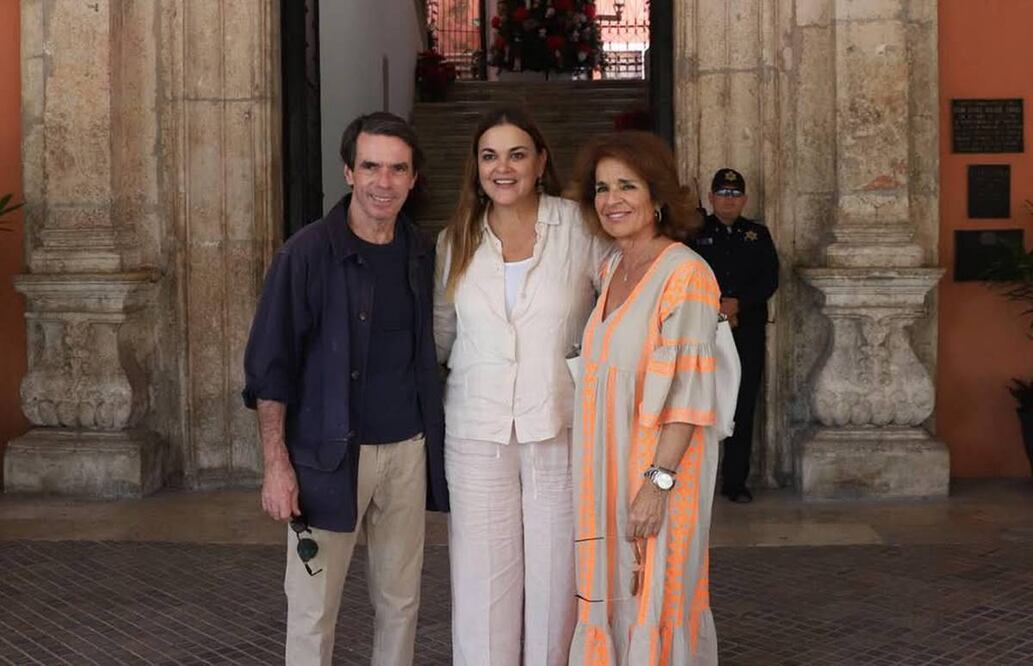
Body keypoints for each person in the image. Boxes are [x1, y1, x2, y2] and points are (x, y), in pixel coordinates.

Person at [242, 112, 448, 666]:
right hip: (327, 459)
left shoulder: (424, 253)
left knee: (401, 603)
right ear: (348, 173)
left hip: (407, 453)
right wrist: (276, 465)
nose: (385, 182)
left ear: (413, 178)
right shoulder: (305, 255)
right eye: (372, 167)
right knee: (312, 610)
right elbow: (269, 368)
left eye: (398, 169)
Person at [433, 106, 610, 666]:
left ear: (540, 163)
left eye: (516, 154)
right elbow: (443, 333)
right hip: (476, 429)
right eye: (489, 156)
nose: (502, 168)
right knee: (481, 577)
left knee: (558, 573)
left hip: (557, 423)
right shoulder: (454, 239)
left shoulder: (580, 228)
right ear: (476, 168)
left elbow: (618, 306)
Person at [567, 131, 721, 665]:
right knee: (615, 593)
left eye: (627, 185)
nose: (612, 199)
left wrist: (657, 484)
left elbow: (692, 393)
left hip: (659, 473)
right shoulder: (610, 268)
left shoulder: (687, 275)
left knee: (655, 596)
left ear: (656, 196)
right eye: (602, 188)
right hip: (606, 470)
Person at [690, 168, 779, 503]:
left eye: (735, 194)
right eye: (722, 194)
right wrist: (715, 305)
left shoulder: (757, 234)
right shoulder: (694, 233)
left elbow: (769, 278)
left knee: (742, 403)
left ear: (743, 199)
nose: (728, 200)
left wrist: (737, 303)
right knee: (701, 400)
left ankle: (735, 481)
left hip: (746, 331)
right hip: (704, 329)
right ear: (711, 198)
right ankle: (698, 478)